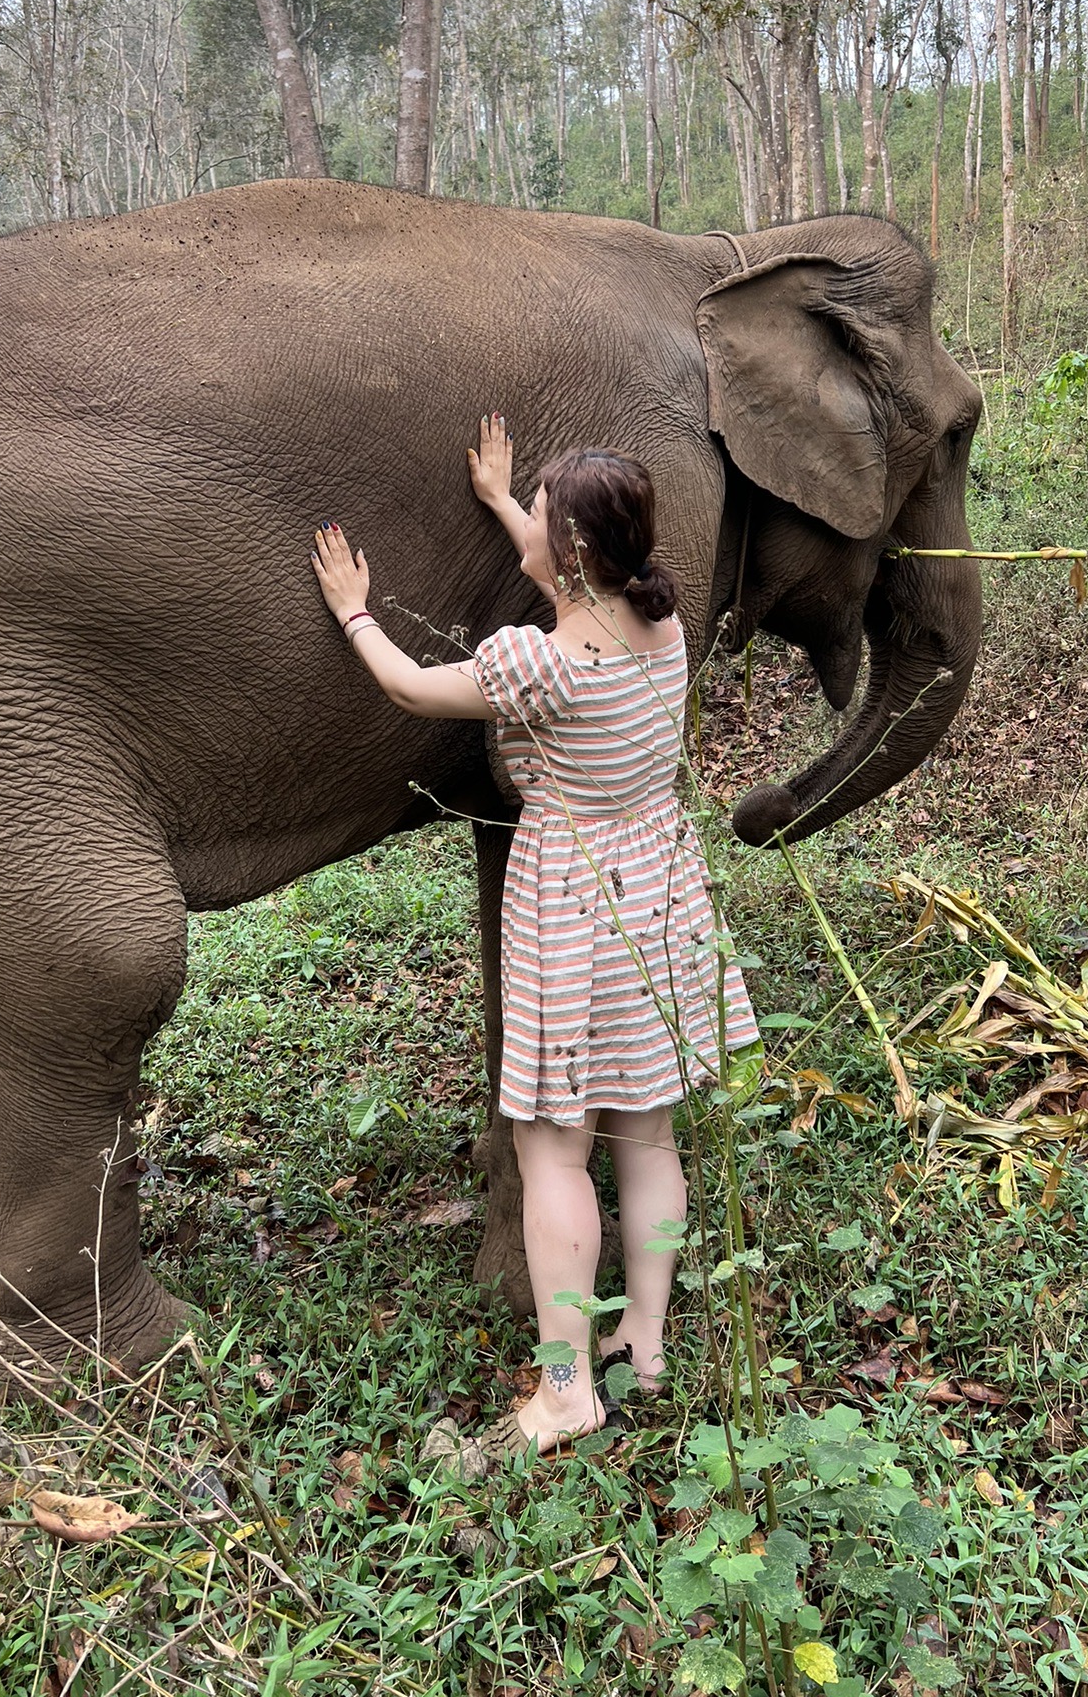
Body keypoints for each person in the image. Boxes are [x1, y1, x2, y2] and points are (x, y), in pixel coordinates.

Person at [310, 415, 759, 1453]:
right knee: (646, 1131)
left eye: (540, 527)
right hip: (663, 889)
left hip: (574, 904)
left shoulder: (535, 665)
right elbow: (575, 565)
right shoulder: (663, 624)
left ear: (569, 557)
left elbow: (411, 688)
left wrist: (353, 614)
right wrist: (512, 502)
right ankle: (641, 1341)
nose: (528, 537)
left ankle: (565, 1387)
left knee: (553, 1149)